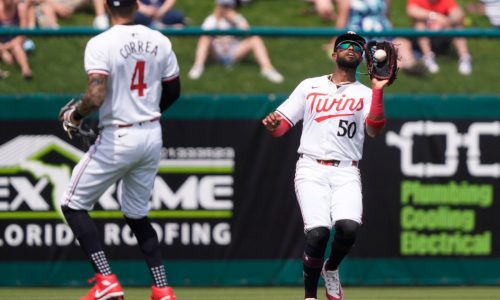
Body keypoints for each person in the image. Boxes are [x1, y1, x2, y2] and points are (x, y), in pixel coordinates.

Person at [58, 0, 181, 299]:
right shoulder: (159, 40)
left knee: (72, 204)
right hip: (151, 134)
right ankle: (162, 288)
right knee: (137, 214)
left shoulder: (101, 42)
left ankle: (106, 278)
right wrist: (148, 111)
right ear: (136, 4)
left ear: (106, 6)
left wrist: (75, 115)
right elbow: (174, 91)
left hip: (119, 136)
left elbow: (96, 95)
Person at [262, 31, 390, 300]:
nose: (351, 48)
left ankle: (331, 269)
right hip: (311, 168)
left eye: (357, 46)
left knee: (348, 228)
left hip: (346, 169)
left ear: (364, 58)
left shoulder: (366, 93)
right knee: (318, 233)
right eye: (345, 44)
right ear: (334, 54)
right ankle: (310, 296)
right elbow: (282, 126)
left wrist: (378, 91)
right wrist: (274, 125)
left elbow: (375, 131)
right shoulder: (309, 86)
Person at [187, 0, 284, 83]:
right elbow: (204, 35)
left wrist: (235, 19)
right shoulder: (211, 19)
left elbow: (248, 32)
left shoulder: (237, 18)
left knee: (255, 39)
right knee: (205, 38)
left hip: (234, 51)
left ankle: (267, 69)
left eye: (228, 6)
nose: (226, 9)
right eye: (223, 6)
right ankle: (198, 66)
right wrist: (217, 20)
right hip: (216, 51)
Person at [325, 0, 426, 76]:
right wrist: (335, 41)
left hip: (382, 31)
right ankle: (401, 65)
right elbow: (343, 18)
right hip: (361, 34)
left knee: (403, 43)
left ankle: (411, 64)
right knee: (378, 53)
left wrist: (390, 33)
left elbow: (386, 16)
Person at [406, 0, 473, 75]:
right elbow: (411, 11)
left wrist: (446, 22)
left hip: (442, 34)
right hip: (421, 36)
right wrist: (435, 16)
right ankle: (428, 57)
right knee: (419, 23)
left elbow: (458, 14)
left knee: (457, 26)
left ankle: (464, 58)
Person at [0, 0, 33, 79]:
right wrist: (3, 50)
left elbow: (23, 34)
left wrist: (7, 47)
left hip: (16, 39)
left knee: (17, 46)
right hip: (1, 40)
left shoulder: (20, 8)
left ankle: (25, 69)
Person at [33, 0, 110, 29]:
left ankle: (101, 19)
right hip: (50, 3)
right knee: (45, 8)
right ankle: (53, 30)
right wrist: (56, 7)